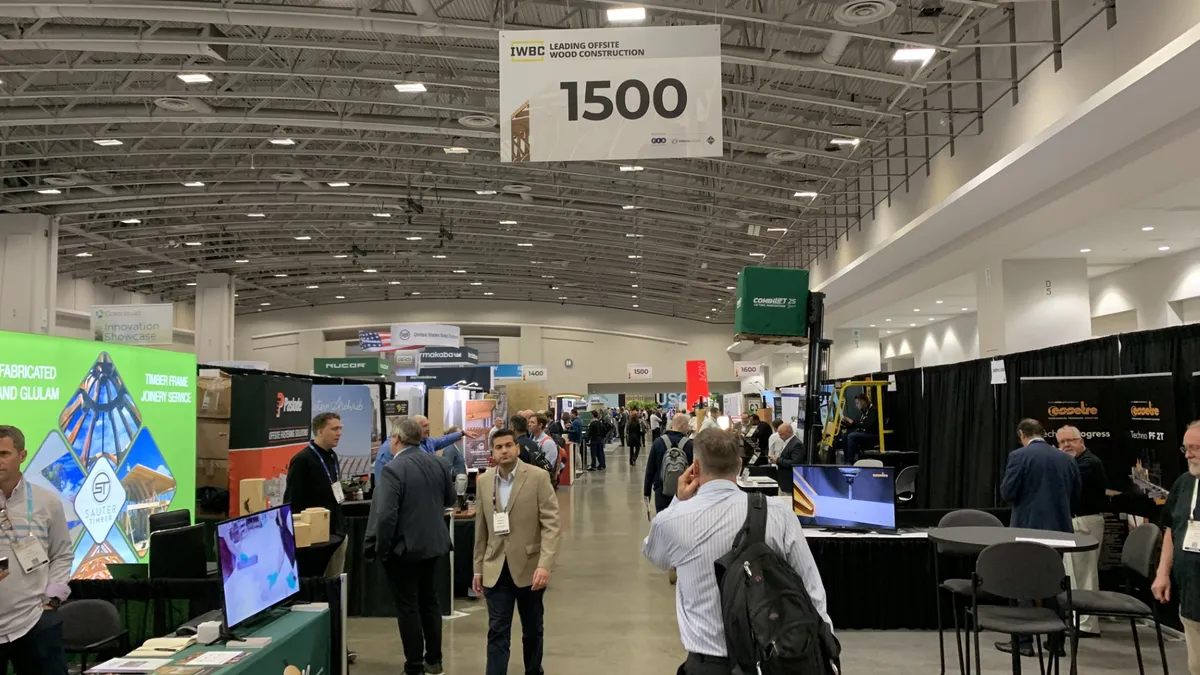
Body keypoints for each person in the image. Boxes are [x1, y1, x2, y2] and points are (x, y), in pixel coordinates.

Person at [642, 428, 832, 675]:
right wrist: (825, 648)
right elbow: (812, 588)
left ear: (695, 467)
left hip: (708, 663)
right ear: (740, 465)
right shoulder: (779, 514)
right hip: (772, 658)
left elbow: (654, 554)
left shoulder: (672, 520)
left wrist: (679, 499)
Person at [366, 419, 456, 675]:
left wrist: (382, 549)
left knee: (408, 607)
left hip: (403, 551)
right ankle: (435, 660)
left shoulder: (393, 469)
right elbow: (449, 499)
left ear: (396, 439)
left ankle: (414, 665)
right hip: (434, 546)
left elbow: (386, 517)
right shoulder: (439, 463)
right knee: (430, 602)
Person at [473, 429, 562, 675]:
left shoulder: (537, 477)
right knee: (497, 630)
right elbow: (480, 530)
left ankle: (534, 670)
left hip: (530, 568)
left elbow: (551, 524)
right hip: (495, 568)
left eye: (508, 445)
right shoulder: (484, 481)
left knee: (532, 629)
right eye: (499, 447)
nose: (504, 450)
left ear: (517, 448)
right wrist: (477, 568)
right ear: (492, 452)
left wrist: (545, 564)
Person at [996, 418, 1081, 657]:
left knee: (1022, 584)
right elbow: (1076, 497)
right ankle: (1056, 643)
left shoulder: (1018, 457)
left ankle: (1023, 642)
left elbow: (1008, 492)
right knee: (1053, 584)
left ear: (1022, 434)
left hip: (1026, 530)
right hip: (1060, 532)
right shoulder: (1067, 459)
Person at [0, 426, 71, 675]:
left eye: (4, 453)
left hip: (35, 620)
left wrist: (52, 600)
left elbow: (62, 553)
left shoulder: (46, 502)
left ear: (22, 455)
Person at [1153, 421, 1200, 675]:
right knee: (1196, 665)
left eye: (1195, 448)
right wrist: (1162, 572)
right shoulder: (1185, 483)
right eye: (1186, 448)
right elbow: (1171, 528)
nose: (1189, 454)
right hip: (1191, 592)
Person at [1056, 425, 1108, 638]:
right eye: (1061, 442)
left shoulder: (1089, 463)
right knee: (1074, 575)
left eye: (1070, 441)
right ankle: (1078, 620)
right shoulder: (1075, 462)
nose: (1066, 445)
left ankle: (1087, 625)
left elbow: (1066, 482)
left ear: (1081, 441)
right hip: (1076, 522)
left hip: (1085, 522)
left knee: (1084, 574)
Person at [285, 412, 349, 577]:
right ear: (320, 431)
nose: (339, 433)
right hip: (315, 540)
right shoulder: (302, 460)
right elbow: (293, 501)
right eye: (334, 429)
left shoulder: (332, 456)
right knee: (318, 585)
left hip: (337, 532)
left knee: (335, 583)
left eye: (340, 428)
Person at [375, 415, 463, 481]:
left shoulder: (426, 442)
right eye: (424, 426)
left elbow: (443, 440)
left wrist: (461, 433)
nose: (428, 429)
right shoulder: (398, 447)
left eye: (428, 425)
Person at [644, 413, 695, 513]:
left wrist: (647, 492)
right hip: (683, 492)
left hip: (662, 491)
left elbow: (650, 469)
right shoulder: (689, 445)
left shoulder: (658, 442)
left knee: (663, 521)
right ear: (683, 426)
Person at [842, 394, 879, 464]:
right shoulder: (863, 412)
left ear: (863, 402)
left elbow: (866, 425)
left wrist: (852, 422)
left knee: (851, 436)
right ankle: (847, 459)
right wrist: (846, 423)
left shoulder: (873, 410)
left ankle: (850, 461)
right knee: (845, 435)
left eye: (857, 403)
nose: (856, 405)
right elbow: (858, 423)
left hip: (872, 434)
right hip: (865, 433)